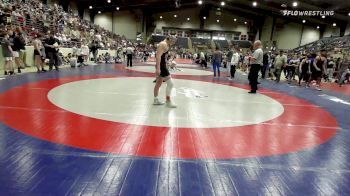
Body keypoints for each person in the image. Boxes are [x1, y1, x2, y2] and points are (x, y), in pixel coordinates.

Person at [153, 36, 177, 108]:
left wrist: (167, 62)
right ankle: (168, 101)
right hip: (161, 67)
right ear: (169, 39)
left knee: (158, 83)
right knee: (170, 84)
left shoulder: (166, 44)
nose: (174, 43)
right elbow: (158, 56)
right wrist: (158, 68)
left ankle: (155, 100)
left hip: (162, 65)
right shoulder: (163, 44)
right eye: (173, 41)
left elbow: (164, 57)